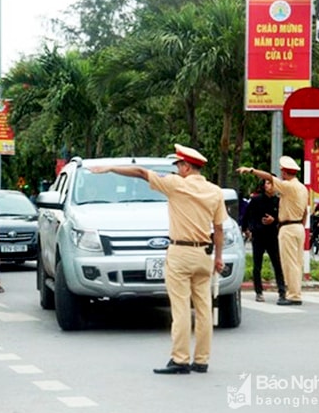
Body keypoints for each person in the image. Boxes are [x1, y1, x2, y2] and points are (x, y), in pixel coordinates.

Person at [90, 144, 227, 375]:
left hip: (180, 253)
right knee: (204, 309)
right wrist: (219, 257)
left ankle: (180, 359)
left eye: (178, 165)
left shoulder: (176, 185)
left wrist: (111, 168)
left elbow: (142, 173)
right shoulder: (215, 191)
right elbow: (219, 228)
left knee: (181, 308)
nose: (177, 169)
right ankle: (202, 360)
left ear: (185, 166)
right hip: (205, 253)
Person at [237, 156, 308, 306]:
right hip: (298, 227)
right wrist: (300, 225)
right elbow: (305, 212)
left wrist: (251, 170)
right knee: (296, 262)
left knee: (289, 264)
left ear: (284, 173)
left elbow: (268, 177)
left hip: (288, 228)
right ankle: (295, 292)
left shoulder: (288, 186)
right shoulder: (302, 188)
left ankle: (293, 295)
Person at [241, 179, 287, 303]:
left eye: (272, 183)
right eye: (267, 183)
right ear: (263, 185)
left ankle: (282, 291)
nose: (270, 186)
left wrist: (274, 220)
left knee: (277, 264)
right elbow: (246, 215)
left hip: (272, 236)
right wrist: (246, 229)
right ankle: (259, 292)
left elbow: (283, 217)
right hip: (258, 236)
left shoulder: (278, 201)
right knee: (257, 265)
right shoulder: (256, 200)